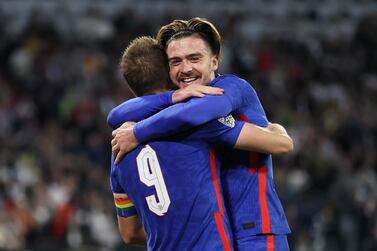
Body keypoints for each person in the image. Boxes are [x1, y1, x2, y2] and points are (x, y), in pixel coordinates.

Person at [110, 18, 292, 250]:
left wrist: (137, 131)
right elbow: (115, 115)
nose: (185, 68)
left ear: (214, 61)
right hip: (219, 237)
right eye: (175, 61)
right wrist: (171, 98)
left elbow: (282, 145)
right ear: (166, 71)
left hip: (255, 231)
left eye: (194, 58)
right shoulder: (177, 113)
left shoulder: (230, 88)